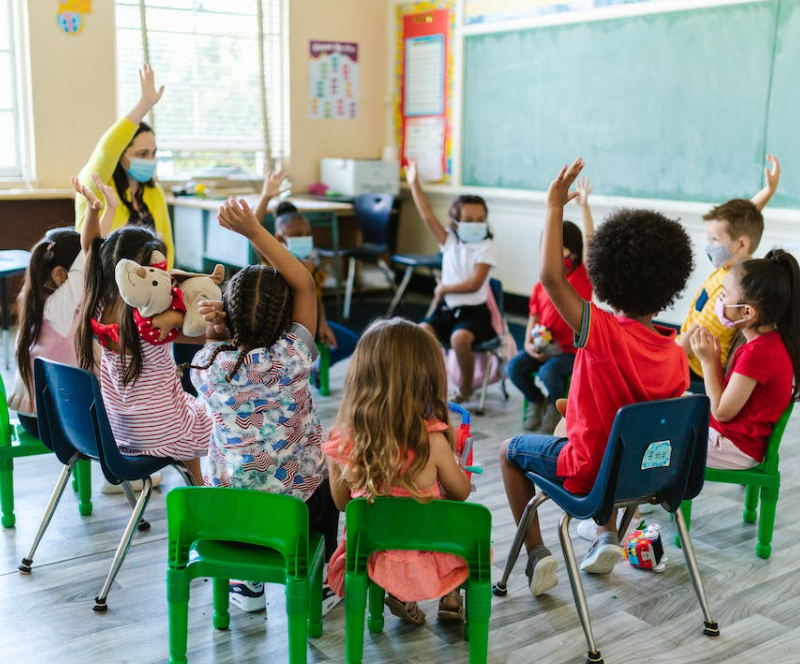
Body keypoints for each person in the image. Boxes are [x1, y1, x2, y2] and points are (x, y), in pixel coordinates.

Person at [499, 158, 694, 597]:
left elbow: (551, 276)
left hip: (590, 474)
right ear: (672, 282)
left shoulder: (601, 331)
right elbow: (632, 416)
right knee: (585, 429)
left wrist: (554, 206)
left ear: (603, 275)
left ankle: (536, 555)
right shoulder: (675, 352)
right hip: (647, 478)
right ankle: (606, 537)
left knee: (509, 452)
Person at [187, 198, 339, 614]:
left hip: (232, 517)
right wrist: (255, 230)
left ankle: (248, 584)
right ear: (287, 319)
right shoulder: (295, 356)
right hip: (296, 512)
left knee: (244, 477)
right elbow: (305, 284)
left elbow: (216, 345)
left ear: (229, 317)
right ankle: (319, 582)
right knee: (321, 476)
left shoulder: (207, 368)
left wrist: (218, 329)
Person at [324, 317, 473, 625]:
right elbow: (461, 493)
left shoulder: (340, 439)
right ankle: (451, 596)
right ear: (425, 379)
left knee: (390, 523)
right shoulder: (433, 441)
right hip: (427, 552)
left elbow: (342, 505)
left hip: (370, 553)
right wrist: (456, 465)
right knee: (464, 531)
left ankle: (403, 595)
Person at [75, 175, 211, 487]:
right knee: (211, 409)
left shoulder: (96, 302)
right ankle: (201, 485)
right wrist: (181, 317)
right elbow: (205, 333)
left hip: (119, 431)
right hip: (159, 431)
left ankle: (197, 480)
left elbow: (90, 246)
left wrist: (96, 211)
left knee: (183, 401)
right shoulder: (152, 315)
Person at [8, 176, 116, 436]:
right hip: (56, 419)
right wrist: (95, 210)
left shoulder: (36, 298)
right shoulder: (60, 306)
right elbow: (91, 249)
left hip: (37, 416)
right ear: (60, 275)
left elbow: (91, 249)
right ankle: (121, 475)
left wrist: (108, 209)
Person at [691, 249, 799, 470]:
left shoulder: (758, 353)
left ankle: (637, 501)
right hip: (730, 441)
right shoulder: (767, 343)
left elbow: (721, 412)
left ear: (747, 312)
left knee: (653, 439)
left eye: (723, 296)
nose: (718, 302)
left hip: (733, 447)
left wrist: (709, 362)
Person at [677, 155, 780, 386]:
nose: (709, 245)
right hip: (688, 349)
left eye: (715, 239)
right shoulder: (739, 264)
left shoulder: (733, 289)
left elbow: (696, 332)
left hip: (696, 371)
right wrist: (768, 191)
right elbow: (747, 219)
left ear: (740, 244)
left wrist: (666, 364)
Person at [405, 159, 497, 402]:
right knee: (422, 332)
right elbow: (426, 215)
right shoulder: (450, 242)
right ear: (455, 222)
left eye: (480, 219)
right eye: (469, 219)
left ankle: (466, 388)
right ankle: (430, 385)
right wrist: (414, 183)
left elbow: (475, 284)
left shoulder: (486, 248)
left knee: (460, 339)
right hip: (447, 310)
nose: (476, 224)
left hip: (474, 314)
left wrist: (444, 288)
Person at [508, 177, 594, 432]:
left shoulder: (582, 278)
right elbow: (533, 317)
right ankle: (536, 400)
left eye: (563, 249)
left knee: (549, 373)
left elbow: (591, 240)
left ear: (575, 254)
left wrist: (584, 207)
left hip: (570, 352)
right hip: (543, 347)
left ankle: (554, 405)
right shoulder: (540, 284)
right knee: (514, 367)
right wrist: (527, 344)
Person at [253, 170, 358, 371]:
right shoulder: (273, 261)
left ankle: (317, 371)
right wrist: (266, 196)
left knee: (351, 341)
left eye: (308, 233)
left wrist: (323, 323)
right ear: (279, 238)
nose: (305, 238)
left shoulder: (311, 263)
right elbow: (253, 229)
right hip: (277, 331)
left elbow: (315, 297)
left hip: (308, 326)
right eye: (298, 234)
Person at [75, 64, 175, 267]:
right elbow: (106, 150)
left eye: (153, 154)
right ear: (120, 155)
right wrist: (144, 104)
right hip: (106, 285)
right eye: (142, 154)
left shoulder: (153, 192)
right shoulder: (97, 185)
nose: (150, 160)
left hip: (150, 286)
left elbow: (167, 248)